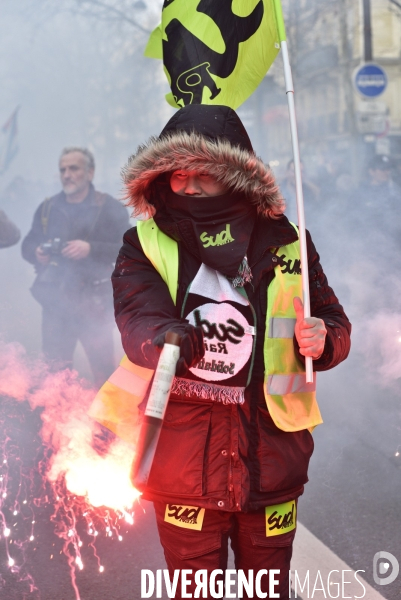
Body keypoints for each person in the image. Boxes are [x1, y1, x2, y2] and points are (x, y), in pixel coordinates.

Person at [106, 105, 351, 598]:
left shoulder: (291, 242)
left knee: (267, 591)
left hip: (273, 457)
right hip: (183, 462)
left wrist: (324, 339)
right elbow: (137, 317)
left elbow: (334, 321)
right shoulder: (144, 243)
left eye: (205, 174)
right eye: (179, 175)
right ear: (161, 179)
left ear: (235, 175)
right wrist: (166, 339)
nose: (190, 186)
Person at [21, 147, 129, 386]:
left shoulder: (109, 207)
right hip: (56, 304)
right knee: (54, 371)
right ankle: (53, 419)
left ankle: (107, 422)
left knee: (104, 371)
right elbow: (27, 244)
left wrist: (91, 248)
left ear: (90, 173)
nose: (67, 174)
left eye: (74, 168)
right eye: (63, 169)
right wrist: (36, 252)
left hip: (95, 303)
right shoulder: (48, 208)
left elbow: (129, 247)